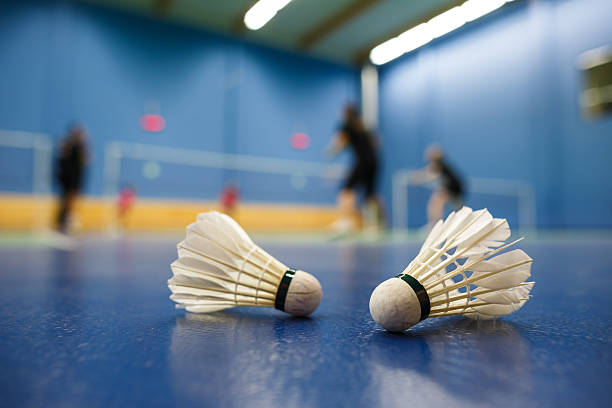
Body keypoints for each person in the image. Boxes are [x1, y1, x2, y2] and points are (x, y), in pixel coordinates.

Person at [328, 105, 381, 233]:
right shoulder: (364, 126)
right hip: (374, 162)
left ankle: (346, 222)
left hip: (362, 162)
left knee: (346, 191)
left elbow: (339, 143)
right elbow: (378, 143)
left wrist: (330, 152)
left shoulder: (347, 126)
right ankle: (376, 225)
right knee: (371, 195)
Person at [410, 145, 464, 227]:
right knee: (438, 200)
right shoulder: (439, 165)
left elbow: (428, 175)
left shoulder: (439, 165)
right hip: (452, 190)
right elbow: (427, 171)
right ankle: (435, 224)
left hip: (454, 190)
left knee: (437, 201)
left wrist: (417, 179)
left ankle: (435, 225)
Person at [55, 124, 89, 233]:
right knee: (66, 202)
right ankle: (62, 224)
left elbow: (84, 163)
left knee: (72, 203)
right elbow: (64, 163)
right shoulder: (69, 146)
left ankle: (69, 223)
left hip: (76, 181)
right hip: (69, 181)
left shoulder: (81, 148)